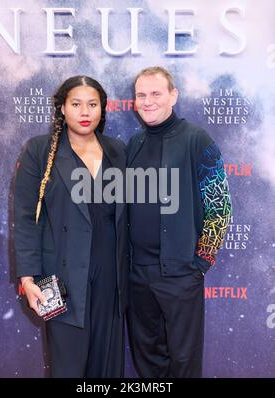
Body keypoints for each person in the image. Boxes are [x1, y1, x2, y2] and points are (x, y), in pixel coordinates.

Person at [14, 76, 129, 378]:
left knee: (107, 366)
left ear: (102, 109)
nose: (85, 112)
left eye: (92, 104)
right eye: (76, 104)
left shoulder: (118, 151)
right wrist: (27, 278)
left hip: (111, 274)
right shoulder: (40, 151)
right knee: (68, 366)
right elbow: (25, 217)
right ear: (63, 108)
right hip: (61, 276)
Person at [126, 66, 232, 378]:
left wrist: (202, 261)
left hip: (180, 273)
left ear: (173, 95)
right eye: (141, 95)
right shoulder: (134, 144)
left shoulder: (197, 139)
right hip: (137, 275)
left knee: (184, 363)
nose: (147, 101)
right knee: (148, 360)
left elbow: (220, 205)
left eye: (156, 93)